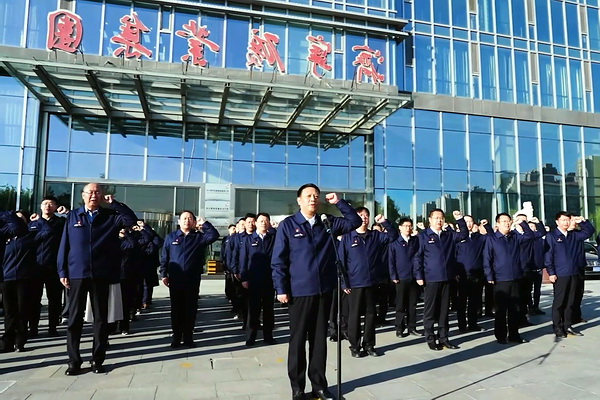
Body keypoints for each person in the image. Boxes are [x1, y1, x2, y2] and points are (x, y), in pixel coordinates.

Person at [272, 183, 361, 400]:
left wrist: (339, 202)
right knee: (298, 341)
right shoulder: (289, 225)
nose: (313, 199)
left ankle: (319, 385)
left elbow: (355, 222)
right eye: (308, 196)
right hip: (299, 292)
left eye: (316, 196)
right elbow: (278, 260)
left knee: (319, 341)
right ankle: (297, 388)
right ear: (299, 200)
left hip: (324, 291)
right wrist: (281, 288)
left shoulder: (327, 222)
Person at [58, 183, 138, 375]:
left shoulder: (110, 216)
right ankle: (74, 361)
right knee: (74, 319)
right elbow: (64, 245)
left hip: (101, 274)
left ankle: (97, 360)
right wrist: (62, 271)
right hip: (77, 273)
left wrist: (115, 204)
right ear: (83, 195)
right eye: (90, 192)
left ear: (102, 195)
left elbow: (131, 220)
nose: (94, 195)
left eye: (97, 192)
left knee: (101, 319)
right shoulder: (73, 216)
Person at [338, 207, 397, 358]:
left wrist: (384, 222)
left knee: (371, 314)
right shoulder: (347, 237)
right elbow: (341, 262)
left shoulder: (375, 235)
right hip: (355, 283)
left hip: (372, 282)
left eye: (366, 215)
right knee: (354, 315)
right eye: (360, 215)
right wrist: (344, 283)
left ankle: (369, 345)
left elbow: (393, 235)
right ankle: (355, 346)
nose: (364, 218)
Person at [159, 211, 219, 348]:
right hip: (175, 278)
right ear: (179, 221)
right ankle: (176, 337)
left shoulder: (198, 237)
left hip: (192, 278)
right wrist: (164, 274)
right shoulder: (171, 237)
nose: (187, 221)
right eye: (184, 218)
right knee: (176, 309)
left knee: (190, 308)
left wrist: (204, 224)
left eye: (190, 218)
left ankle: (188, 337)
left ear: (194, 222)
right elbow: (165, 257)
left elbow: (214, 235)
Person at [414, 209, 467, 351]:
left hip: (447, 278)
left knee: (444, 311)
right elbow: (417, 257)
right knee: (430, 311)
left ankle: (443, 338)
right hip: (431, 278)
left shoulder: (448, 235)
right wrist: (419, 276)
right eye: (436, 218)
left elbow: (463, 234)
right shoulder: (423, 236)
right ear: (430, 220)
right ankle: (430, 339)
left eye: (441, 218)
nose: (439, 220)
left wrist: (460, 219)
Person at [484, 213, 540, 344]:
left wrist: (522, 223)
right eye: (503, 221)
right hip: (500, 279)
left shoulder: (515, 236)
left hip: (516, 277)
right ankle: (501, 336)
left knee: (515, 309)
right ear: (497, 224)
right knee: (501, 310)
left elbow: (530, 236)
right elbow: (487, 258)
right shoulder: (492, 238)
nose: (507, 223)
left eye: (508, 221)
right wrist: (489, 275)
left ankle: (514, 335)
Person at [545, 212, 595, 338]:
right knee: (559, 302)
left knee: (570, 301)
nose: (566, 222)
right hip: (560, 274)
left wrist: (582, 222)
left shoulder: (573, 235)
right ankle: (558, 327)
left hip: (574, 273)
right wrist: (551, 272)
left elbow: (589, 232)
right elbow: (548, 255)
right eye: (563, 220)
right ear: (557, 222)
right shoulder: (552, 236)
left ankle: (568, 325)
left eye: (567, 220)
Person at [28, 196, 68, 337]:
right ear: (40, 206)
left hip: (54, 267)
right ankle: (33, 328)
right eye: (45, 203)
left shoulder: (61, 223)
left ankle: (53, 327)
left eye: (51, 204)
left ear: (56, 206)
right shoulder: (32, 224)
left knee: (55, 299)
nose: (48, 206)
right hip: (36, 267)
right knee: (34, 299)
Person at [237, 212, 277, 346]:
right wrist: (244, 278)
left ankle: (268, 336)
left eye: (266, 221)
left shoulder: (273, 238)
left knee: (269, 309)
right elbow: (243, 259)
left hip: (269, 279)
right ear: (256, 223)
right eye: (261, 221)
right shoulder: (249, 239)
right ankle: (251, 336)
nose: (263, 223)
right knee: (253, 309)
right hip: (253, 279)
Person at [0, 211, 33, 352]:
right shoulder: (4, 236)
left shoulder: (29, 236)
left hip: (24, 278)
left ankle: (20, 341)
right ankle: (7, 342)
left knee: (22, 310)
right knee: (9, 312)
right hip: (6, 278)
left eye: (20, 219)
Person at [455, 216, 491, 333]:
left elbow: (492, 237)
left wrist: (487, 225)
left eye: (470, 221)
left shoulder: (479, 238)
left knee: (474, 301)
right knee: (461, 302)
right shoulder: (458, 238)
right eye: (466, 222)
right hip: (462, 275)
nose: (469, 224)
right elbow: (453, 255)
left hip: (477, 274)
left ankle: (473, 323)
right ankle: (461, 325)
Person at [389, 217, 421, 338]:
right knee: (400, 304)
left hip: (413, 277)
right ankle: (399, 328)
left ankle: (412, 327)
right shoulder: (395, 242)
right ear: (400, 227)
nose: (408, 228)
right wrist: (393, 275)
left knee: (412, 304)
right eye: (405, 226)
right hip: (400, 277)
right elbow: (391, 260)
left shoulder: (415, 241)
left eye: (410, 226)